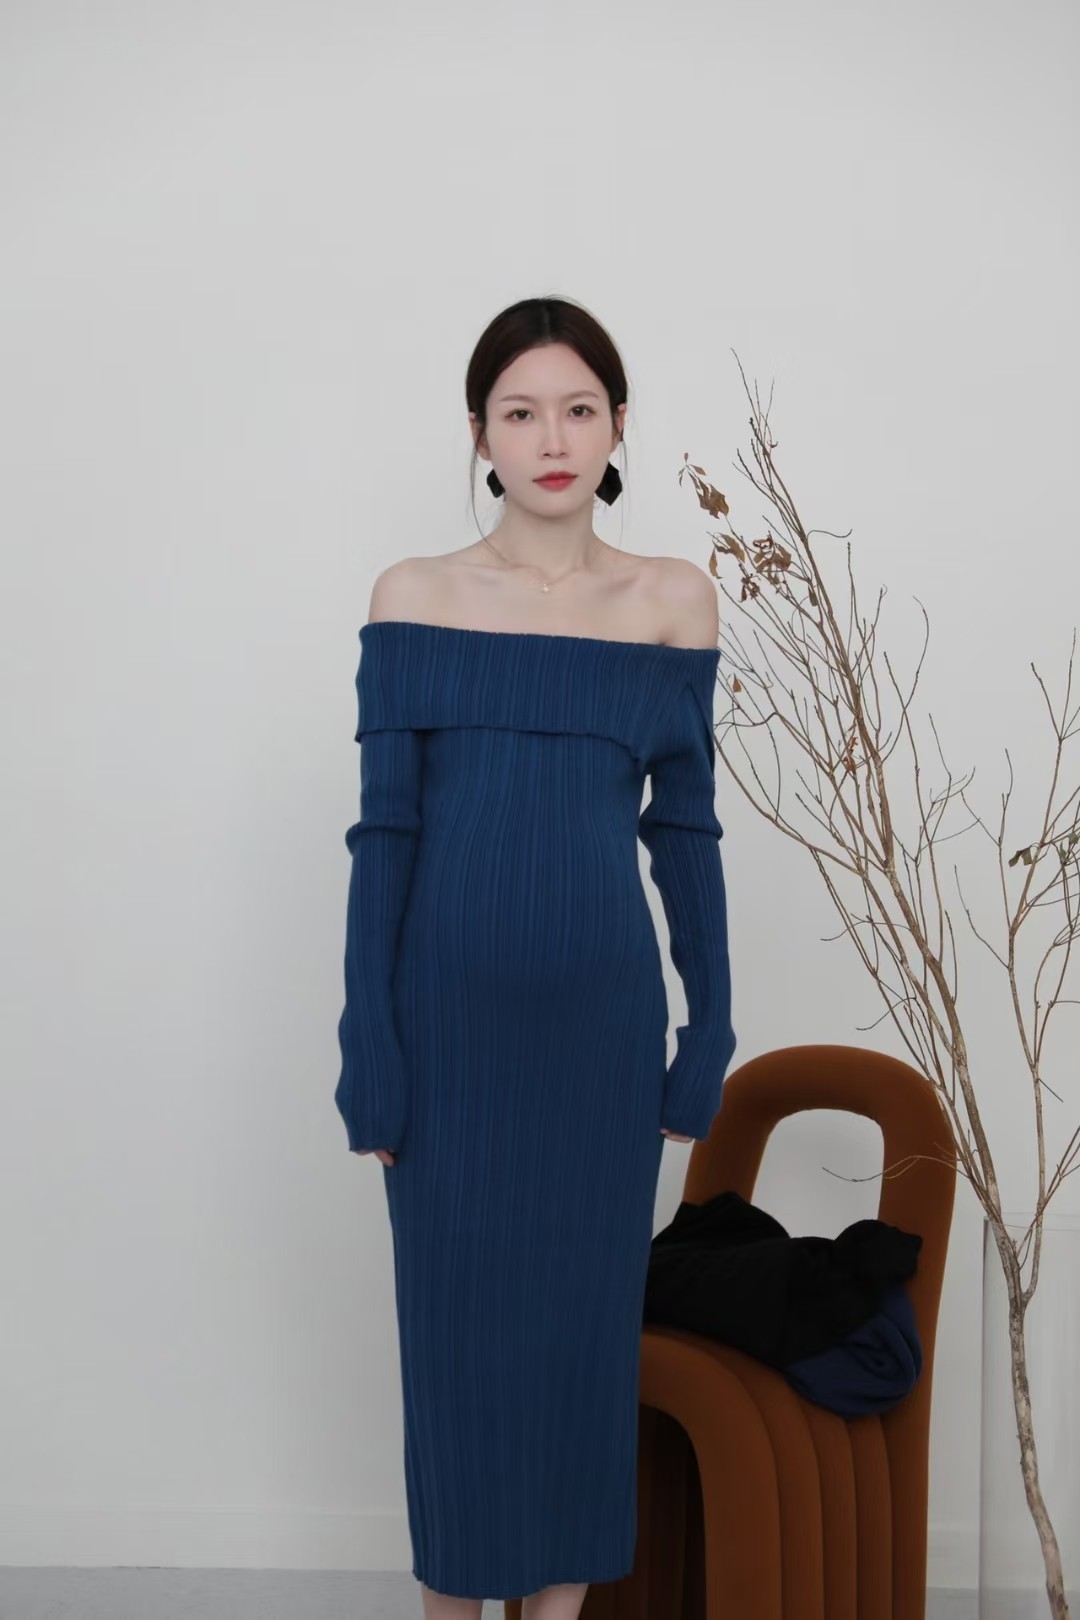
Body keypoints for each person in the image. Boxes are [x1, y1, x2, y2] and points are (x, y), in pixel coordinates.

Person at [335, 295, 737, 1620]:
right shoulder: (414, 597)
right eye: (521, 412)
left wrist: (708, 1036)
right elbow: (384, 840)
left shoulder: (673, 602)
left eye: (578, 409)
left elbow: (686, 837)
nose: (551, 438)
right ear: (480, 433)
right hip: (445, 1042)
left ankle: (559, 1615)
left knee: (577, 1344)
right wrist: (369, 1049)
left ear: (617, 426)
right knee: (457, 1348)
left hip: (600, 1045)